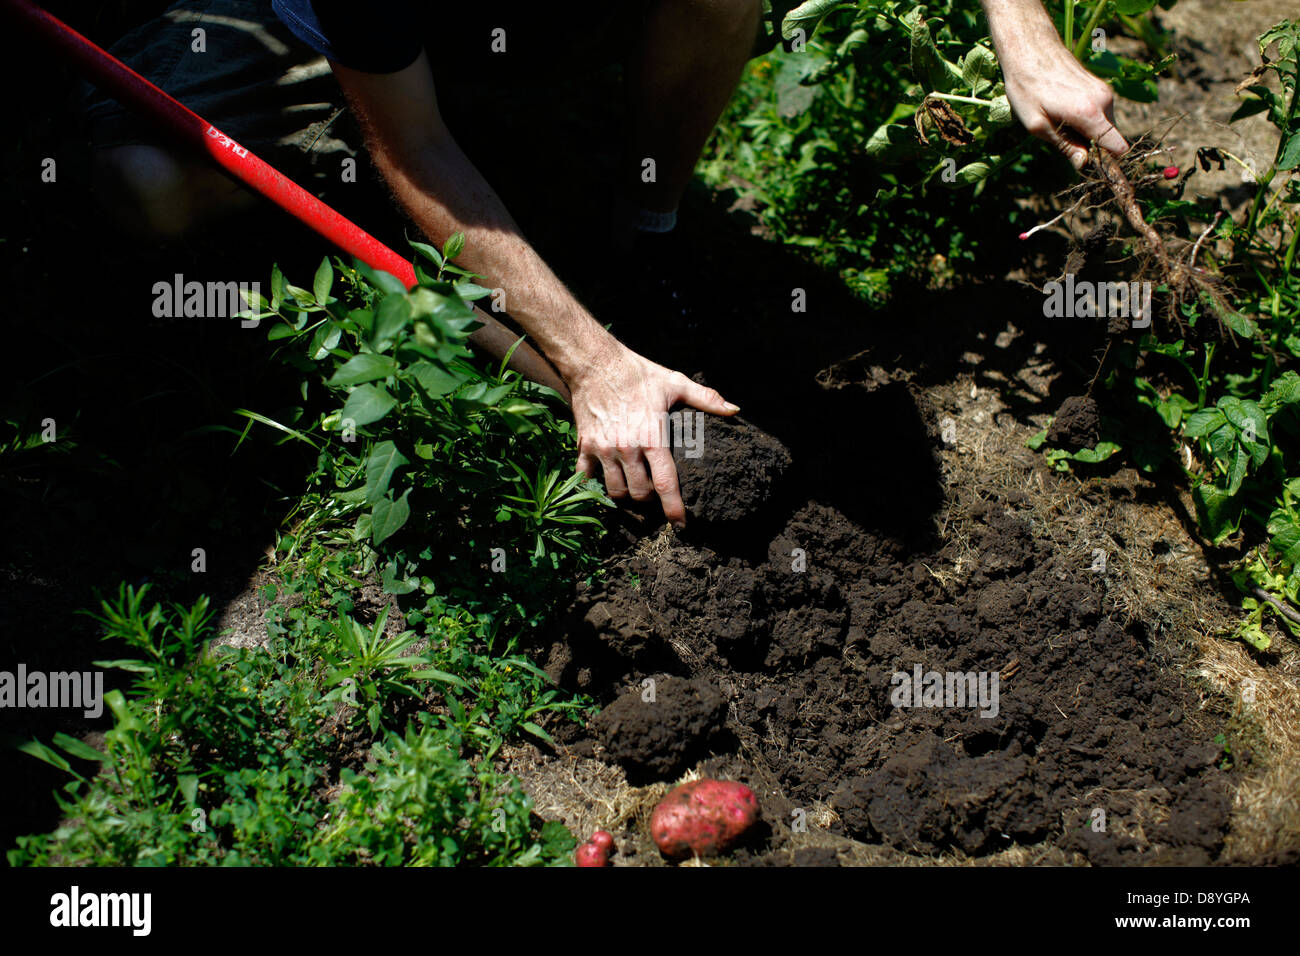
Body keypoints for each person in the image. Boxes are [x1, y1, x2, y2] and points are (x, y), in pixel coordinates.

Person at [88, 0, 1128, 527]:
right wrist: (589, 364)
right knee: (146, 181)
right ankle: (343, 212)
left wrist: (1022, 29)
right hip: (323, 38)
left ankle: (648, 221)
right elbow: (418, 148)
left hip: (473, 38)